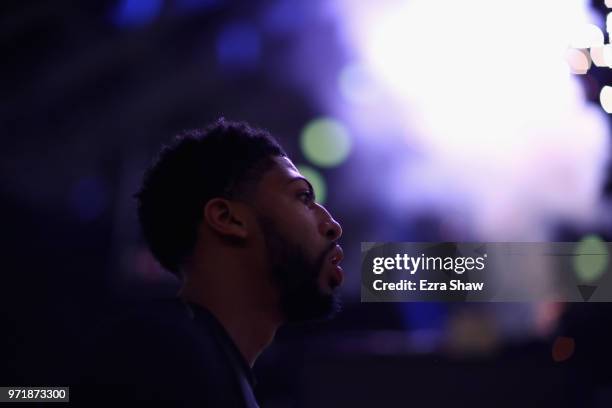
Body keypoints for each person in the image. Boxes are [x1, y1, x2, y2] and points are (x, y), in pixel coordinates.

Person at [79, 119, 344, 407]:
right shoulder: (160, 356)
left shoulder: (206, 365)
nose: (333, 226)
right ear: (227, 218)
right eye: (303, 196)